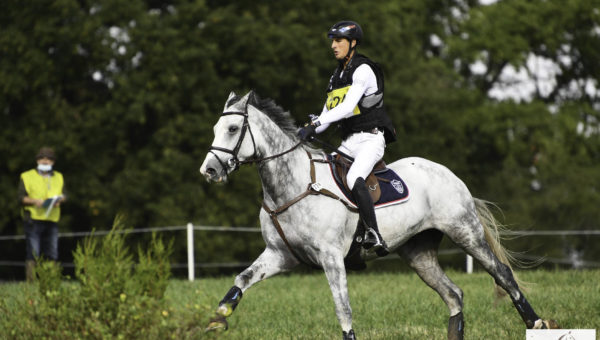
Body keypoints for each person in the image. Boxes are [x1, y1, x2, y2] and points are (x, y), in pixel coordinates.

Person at [298, 21, 396, 253]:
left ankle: (374, 233)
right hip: (349, 142)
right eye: (332, 41)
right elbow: (325, 117)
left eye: (338, 40)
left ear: (352, 43)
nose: (333, 45)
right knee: (322, 173)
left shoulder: (363, 69)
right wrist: (307, 129)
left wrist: (319, 122)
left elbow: (347, 107)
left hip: (371, 140)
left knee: (353, 179)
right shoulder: (336, 77)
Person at [18, 147, 66, 281]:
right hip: (33, 219)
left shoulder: (59, 177)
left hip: (52, 218)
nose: (45, 161)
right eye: (42, 158)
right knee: (33, 253)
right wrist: (35, 201)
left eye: (49, 159)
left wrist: (59, 200)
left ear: (53, 162)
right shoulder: (27, 176)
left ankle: (52, 281)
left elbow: (64, 195)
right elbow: (21, 198)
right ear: (37, 160)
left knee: (52, 253)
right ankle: (31, 282)